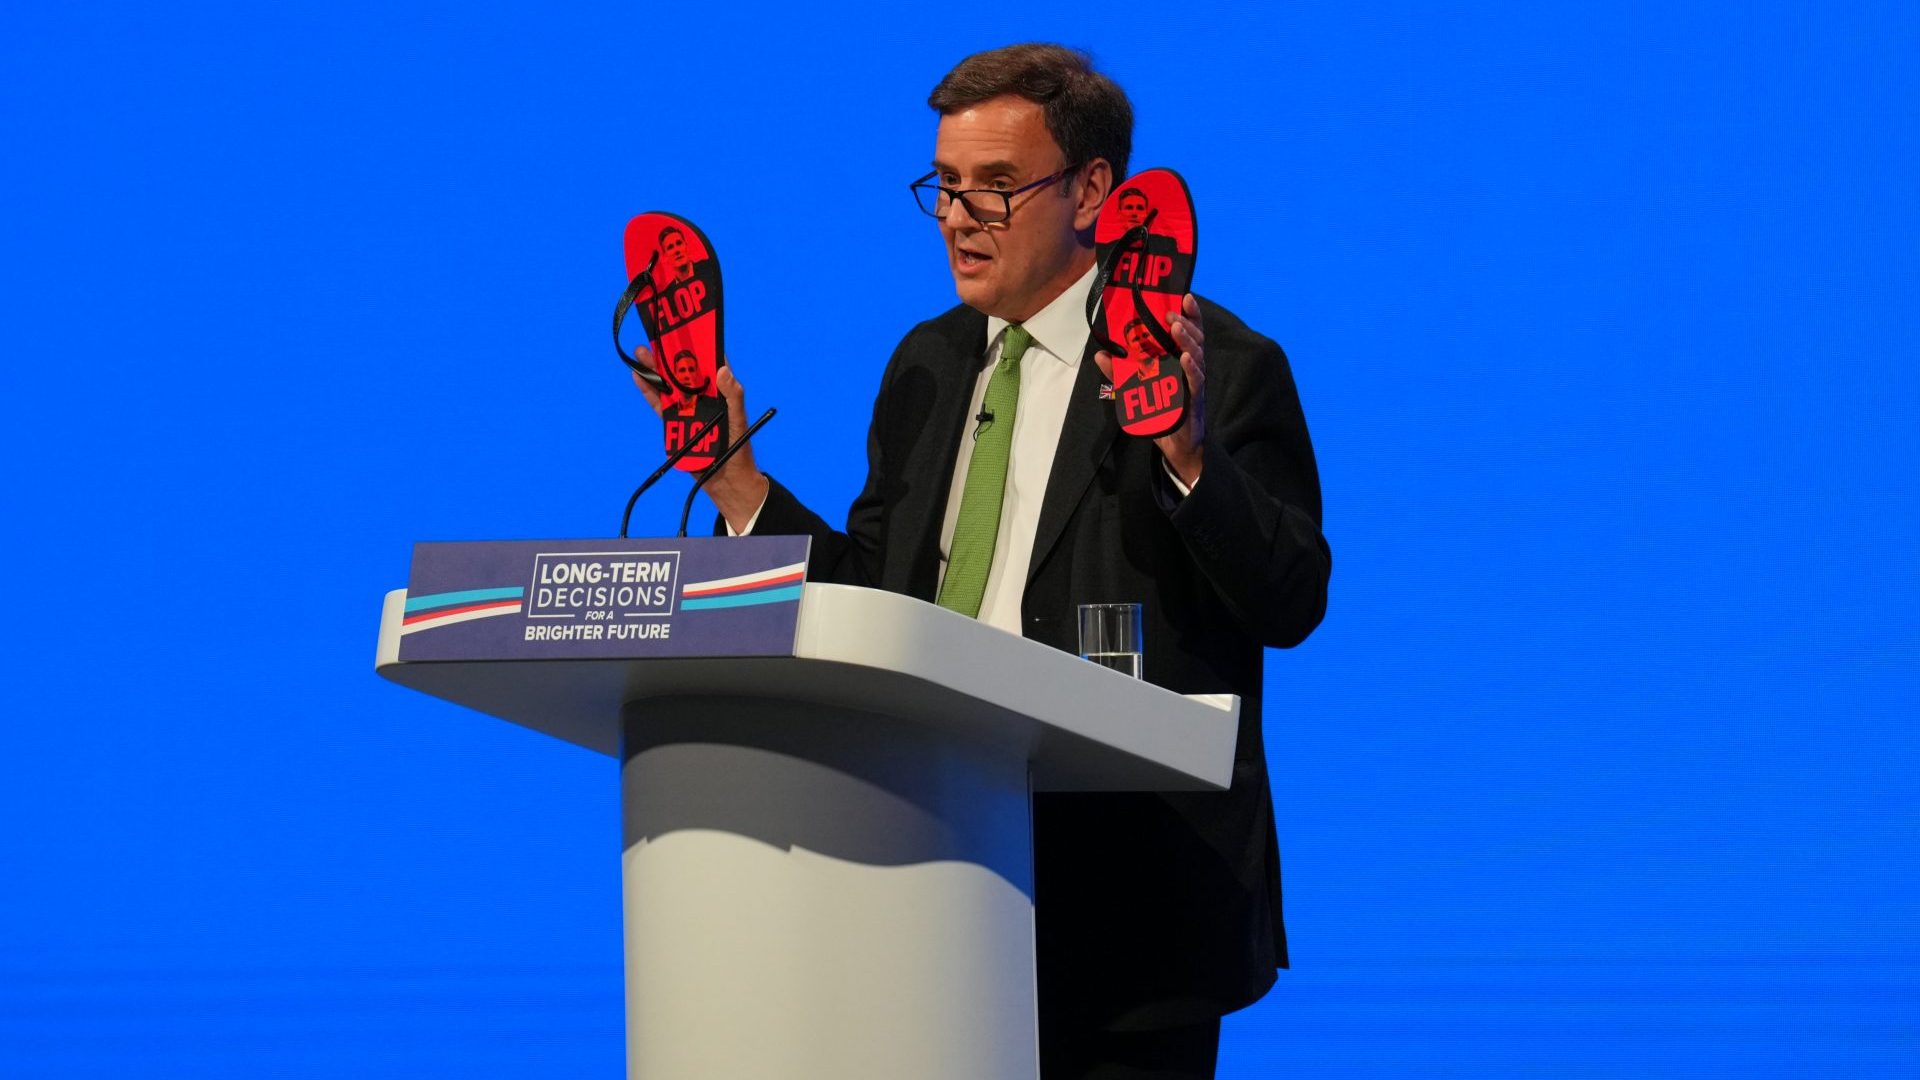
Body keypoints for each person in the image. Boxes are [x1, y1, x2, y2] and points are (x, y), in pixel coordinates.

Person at [631, 43, 1329, 1080]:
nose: (959, 217)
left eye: (997, 187)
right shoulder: (927, 364)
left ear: (1095, 190)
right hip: (921, 878)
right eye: (947, 187)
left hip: (1128, 910)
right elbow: (872, 600)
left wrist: (1185, 451)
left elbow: (1290, 597)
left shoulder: (1217, 363)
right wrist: (737, 482)